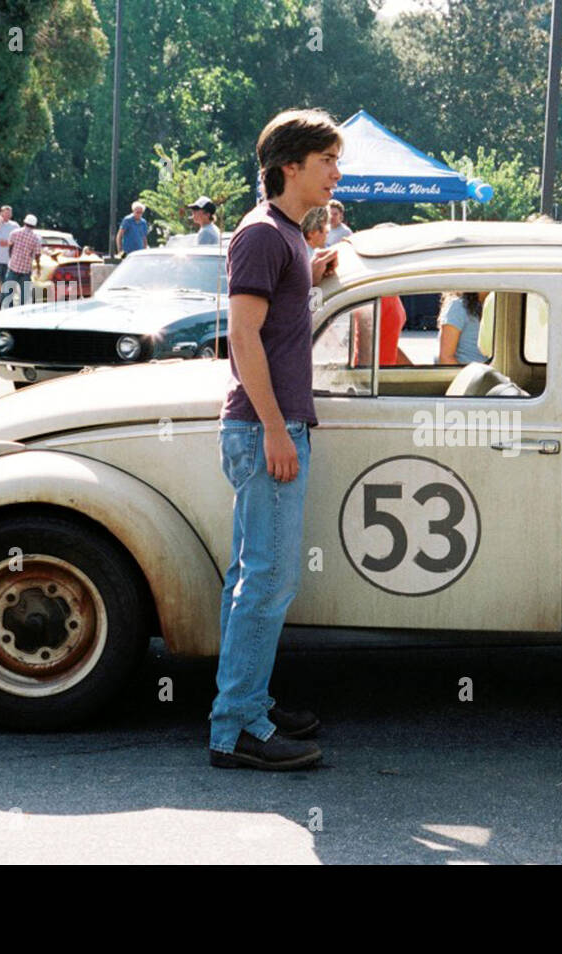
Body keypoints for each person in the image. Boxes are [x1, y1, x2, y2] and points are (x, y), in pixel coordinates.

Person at [209, 108, 342, 771]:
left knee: (252, 577)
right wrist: (272, 430)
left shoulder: (283, 235)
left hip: (272, 422)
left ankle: (246, 704)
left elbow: (274, 312)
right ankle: (238, 726)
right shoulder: (263, 235)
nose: (335, 176)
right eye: (326, 163)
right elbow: (242, 335)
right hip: (268, 425)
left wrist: (312, 271)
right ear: (290, 166)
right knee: (267, 582)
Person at [437, 291, 489, 364]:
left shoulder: (496, 304)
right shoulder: (458, 306)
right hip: (467, 371)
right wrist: (468, 375)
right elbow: (446, 358)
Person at [5, 214, 41, 307]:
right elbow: (37, 255)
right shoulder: (36, 238)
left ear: (24, 222)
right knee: (24, 294)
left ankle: (9, 310)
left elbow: (10, 248)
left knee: (9, 291)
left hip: (13, 266)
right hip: (26, 269)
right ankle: (22, 311)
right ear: (34, 226)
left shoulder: (14, 233)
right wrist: (38, 267)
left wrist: (12, 258)